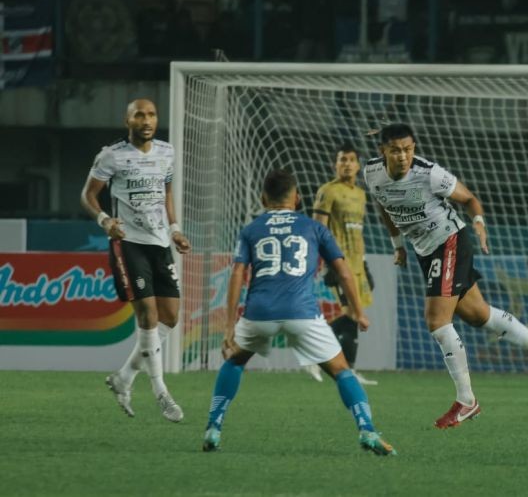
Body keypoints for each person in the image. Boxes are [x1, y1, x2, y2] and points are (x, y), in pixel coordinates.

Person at [365, 123, 528, 429]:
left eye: (408, 149)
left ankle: (466, 401)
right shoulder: (372, 174)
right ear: (383, 151)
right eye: (395, 150)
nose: (403, 156)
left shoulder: (429, 173)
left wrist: (480, 223)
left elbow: (470, 199)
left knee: (436, 320)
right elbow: (385, 207)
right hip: (424, 249)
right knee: (477, 315)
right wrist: (398, 246)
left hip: (450, 240)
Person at [202, 169, 395, 456]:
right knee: (342, 371)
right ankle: (367, 429)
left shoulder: (251, 229)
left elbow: (237, 273)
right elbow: (343, 271)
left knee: (234, 361)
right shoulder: (314, 227)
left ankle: (213, 428)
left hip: (259, 314)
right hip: (303, 314)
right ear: (298, 198)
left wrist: (230, 326)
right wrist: (358, 311)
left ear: (263, 198)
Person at [81, 98, 191, 422]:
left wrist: (174, 229)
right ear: (127, 120)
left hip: (160, 242)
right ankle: (161, 392)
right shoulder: (111, 155)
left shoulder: (166, 152)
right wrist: (105, 221)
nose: (147, 120)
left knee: (170, 317)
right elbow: (88, 194)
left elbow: (165, 193)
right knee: (148, 315)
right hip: (127, 242)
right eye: (140, 115)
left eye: (152, 114)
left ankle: (124, 378)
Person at [307, 142, 378, 385]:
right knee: (352, 314)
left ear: (358, 165)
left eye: (351, 160)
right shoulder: (328, 191)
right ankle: (323, 358)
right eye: (342, 159)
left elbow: (359, 232)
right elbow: (318, 229)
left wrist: (365, 262)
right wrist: (327, 262)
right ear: (335, 164)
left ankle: (337, 364)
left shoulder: (360, 194)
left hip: (358, 264)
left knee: (352, 315)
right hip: (340, 263)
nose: (346, 164)